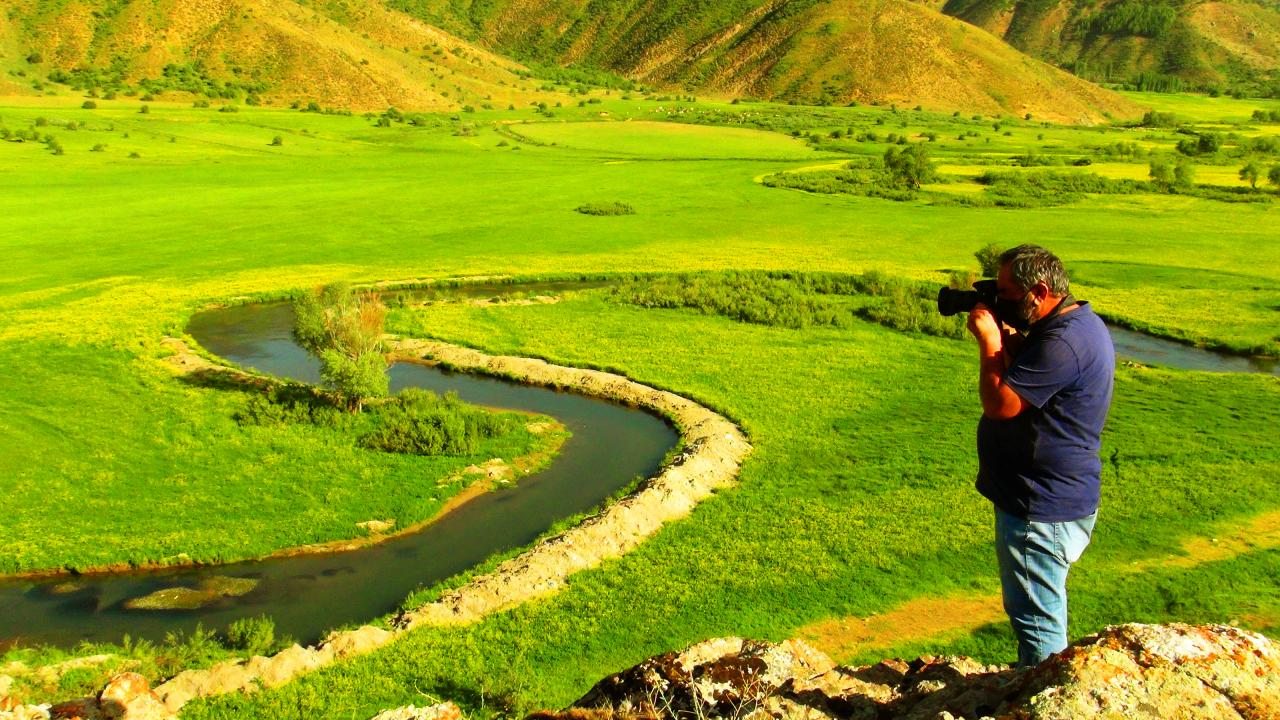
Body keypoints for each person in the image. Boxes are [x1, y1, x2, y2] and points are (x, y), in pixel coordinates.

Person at [965, 244, 1115, 668]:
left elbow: (1002, 404)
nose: (1001, 301)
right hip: (1057, 497)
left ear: (1040, 290)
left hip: (1039, 510)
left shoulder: (1062, 343)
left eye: (1008, 293)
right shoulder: (1075, 326)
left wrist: (991, 341)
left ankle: (1044, 697)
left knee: (1038, 626)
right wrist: (1013, 342)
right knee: (1039, 615)